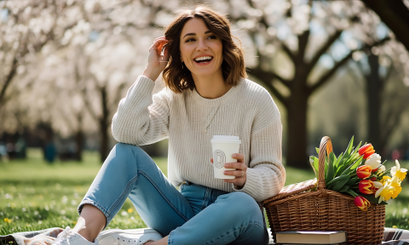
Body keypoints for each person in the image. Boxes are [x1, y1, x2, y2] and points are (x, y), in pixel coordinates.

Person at [50, 5, 285, 245]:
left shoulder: (257, 100)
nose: (201, 46)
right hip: (182, 213)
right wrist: (150, 73)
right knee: (125, 154)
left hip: (238, 219)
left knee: (241, 203)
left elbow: (274, 176)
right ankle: (79, 238)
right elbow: (124, 132)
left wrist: (244, 178)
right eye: (190, 40)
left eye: (210, 37)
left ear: (223, 44)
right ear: (179, 52)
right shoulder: (175, 99)